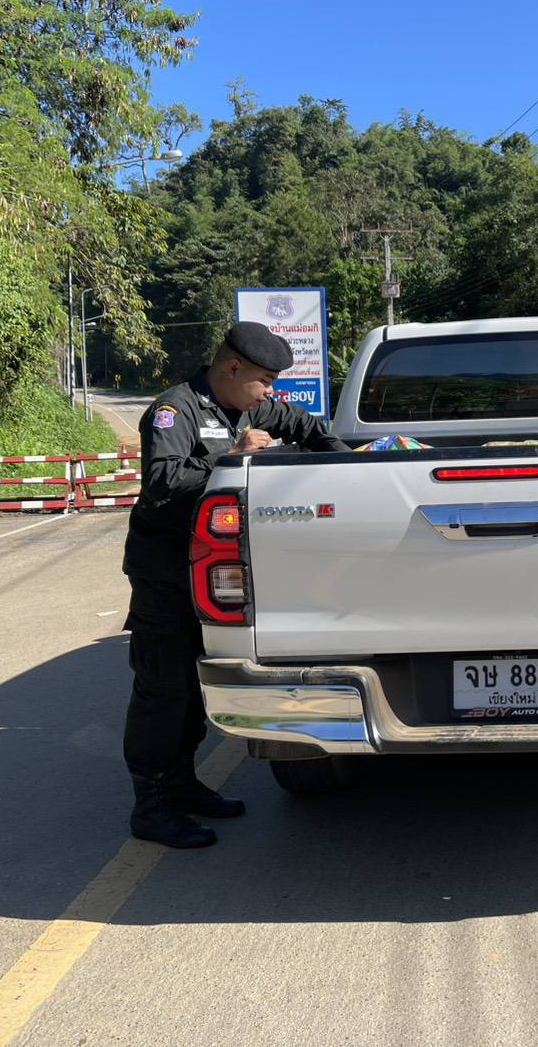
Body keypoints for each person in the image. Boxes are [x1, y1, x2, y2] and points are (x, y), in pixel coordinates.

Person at [122, 322, 349, 848]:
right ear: (232, 368)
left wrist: (348, 464)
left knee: (193, 687)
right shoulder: (175, 410)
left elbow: (304, 425)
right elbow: (160, 482)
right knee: (162, 689)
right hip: (165, 575)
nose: (270, 392)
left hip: (213, 573)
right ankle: (151, 806)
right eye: (264, 380)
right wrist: (231, 455)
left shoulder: (247, 407)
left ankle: (183, 785)